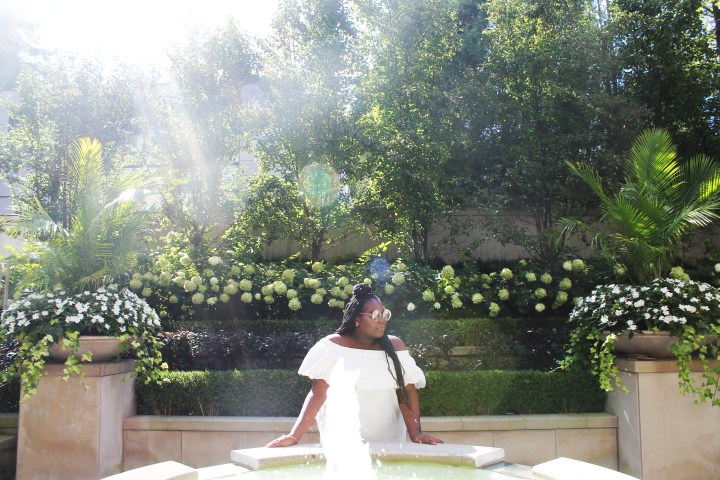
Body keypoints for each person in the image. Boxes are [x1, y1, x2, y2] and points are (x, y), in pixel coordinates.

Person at [266, 283, 443, 448]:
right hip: (342, 442)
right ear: (357, 319)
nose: (382, 320)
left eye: (384, 314)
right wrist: (294, 436)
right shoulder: (333, 347)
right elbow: (318, 394)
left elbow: (407, 392)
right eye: (375, 315)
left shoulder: (395, 347)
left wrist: (415, 433)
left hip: (389, 442)